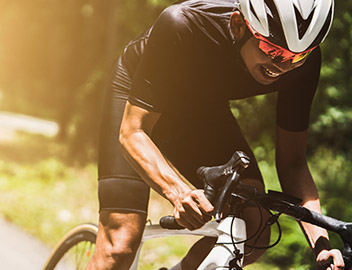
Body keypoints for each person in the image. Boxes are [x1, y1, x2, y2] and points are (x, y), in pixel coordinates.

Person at [88, 0, 343, 269]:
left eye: (297, 57)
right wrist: (178, 192)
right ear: (237, 25)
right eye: (271, 49)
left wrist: (321, 246)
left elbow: (293, 164)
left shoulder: (303, 65)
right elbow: (132, 132)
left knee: (254, 233)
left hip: (202, 110)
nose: (282, 65)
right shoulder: (183, 24)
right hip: (138, 103)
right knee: (120, 244)